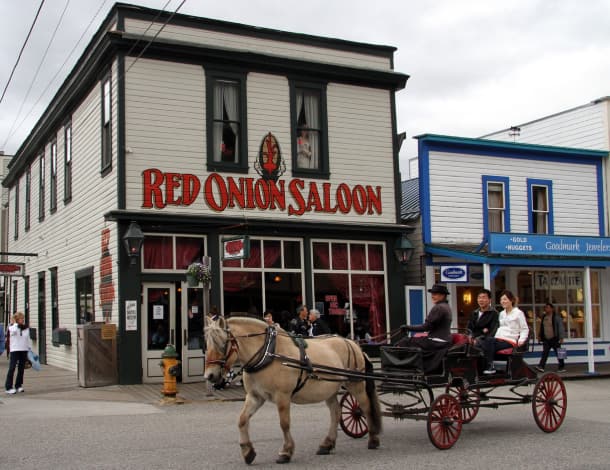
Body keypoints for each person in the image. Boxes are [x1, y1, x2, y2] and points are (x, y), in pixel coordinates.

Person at [397, 284, 452, 373]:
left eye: (435, 294)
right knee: (413, 341)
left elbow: (426, 327)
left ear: (442, 295)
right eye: (432, 294)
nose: (433, 296)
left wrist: (408, 327)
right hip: (442, 340)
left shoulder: (439, 308)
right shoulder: (446, 306)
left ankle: (409, 369)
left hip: (437, 341)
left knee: (405, 342)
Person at [479, 290, 529, 375]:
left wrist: (521, 340)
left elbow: (524, 329)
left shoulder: (518, 313)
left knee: (489, 341)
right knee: (481, 341)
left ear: (511, 300)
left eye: (505, 299)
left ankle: (491, 366)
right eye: (501, 300)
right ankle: (481, 368)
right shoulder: (502, 313)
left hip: (510, 341)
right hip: (499, 339)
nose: (503, 302)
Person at [5, 312, 32, 394]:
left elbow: (27, 339)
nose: (22, 319)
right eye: (21, 318)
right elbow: (13, 331)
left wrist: (29, 349)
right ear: (17, 319)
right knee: (12, 367)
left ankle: (18, 385)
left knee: (21, 369)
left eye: (23, 318)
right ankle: (8, 387)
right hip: (15, 349)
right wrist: (15, 323)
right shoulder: (12, 327)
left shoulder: (26, 328)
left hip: (23, 349)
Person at [536, 303, 566, 373]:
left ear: (552, 309)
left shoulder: (556, 317)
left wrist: (561, 337)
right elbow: (542, 327)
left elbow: (561, 327)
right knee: (545, 353)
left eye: (548, 308)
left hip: (555, 338)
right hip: (546, 338)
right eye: (546, 308)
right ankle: (541, 366)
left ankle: (562, 366)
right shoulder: (544, 317)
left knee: (560, 352)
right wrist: (540, 336)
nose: (547, 309)